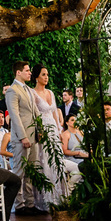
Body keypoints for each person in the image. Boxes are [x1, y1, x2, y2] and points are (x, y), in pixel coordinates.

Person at [30, 63, 73, 211]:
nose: (46, 77)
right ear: (36, 77)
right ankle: (45, 199)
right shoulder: (33, 93)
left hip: (54, 130)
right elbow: (33, 115)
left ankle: (59, 197)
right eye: (43, 74)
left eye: (47, 74)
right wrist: (38, 130)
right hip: (42, 130)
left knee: (56, 162)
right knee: (45, 163)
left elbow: (55, 113)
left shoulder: (51, 93)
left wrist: (59, 130)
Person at [4, 61, 41, 216]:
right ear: (18, 72)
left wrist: (40, 129)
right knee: (19, 172)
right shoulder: (13, 91)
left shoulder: (28, 90)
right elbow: (15, 116)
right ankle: (19, 205)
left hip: (34, 136)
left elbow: (35, 112)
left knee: (31, 171)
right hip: (21, 137)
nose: (30, 73)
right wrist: (23, 136)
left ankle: (30, 203)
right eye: (27, 70)